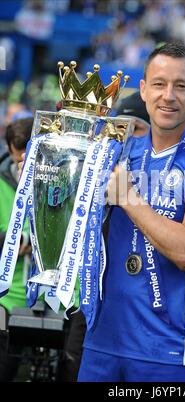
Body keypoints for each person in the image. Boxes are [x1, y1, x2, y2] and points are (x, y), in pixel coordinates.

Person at [78, 42, 185, 382]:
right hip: (100, 344)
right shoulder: (115, 154)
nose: (169, 95)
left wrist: (128, 197)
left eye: (181, 86)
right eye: (159, 84)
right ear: (143, 89)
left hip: (168, 352)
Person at [0, 117, 86, 382]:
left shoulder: (73, 180)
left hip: (65, 295)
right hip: (10, 295)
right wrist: (14, 240)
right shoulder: (2, 183)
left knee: (70, 369)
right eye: (17, 162)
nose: (21, 168)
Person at [0, 117, 33, 381]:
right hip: (5, 300)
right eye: (18, 155)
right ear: (9, 150)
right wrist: (11, 242)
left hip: (50, 300)